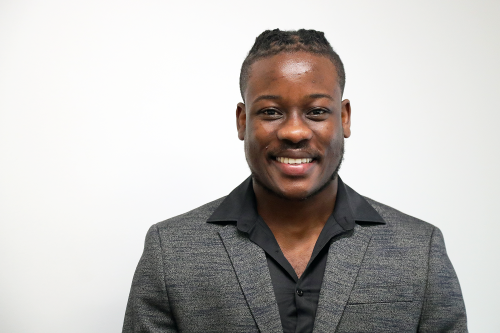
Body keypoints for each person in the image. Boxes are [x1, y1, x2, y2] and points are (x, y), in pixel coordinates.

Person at [123, 29, 467, 333]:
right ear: (242, 120)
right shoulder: (170, 252)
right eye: (271, 112)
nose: (294, 131)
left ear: (344, 118)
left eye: (316, 111)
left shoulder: (421, 252)